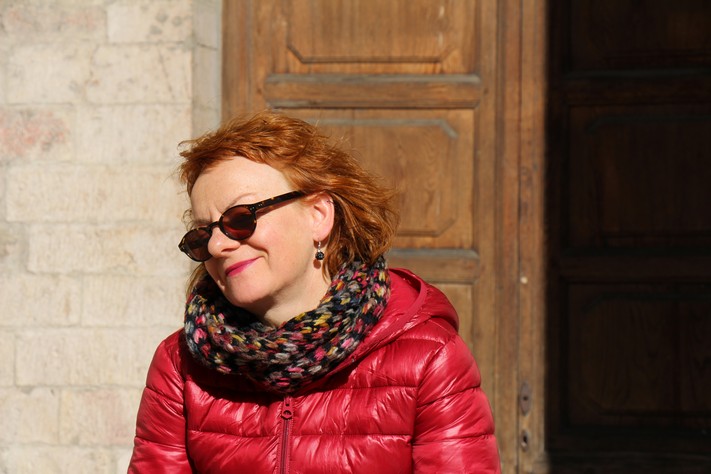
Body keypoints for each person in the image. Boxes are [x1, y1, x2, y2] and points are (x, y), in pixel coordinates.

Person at [128, 110, 501, 473]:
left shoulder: (428, 357)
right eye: (202, 234)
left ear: (318, 215)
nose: (217, 246)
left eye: (240, 219)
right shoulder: (181, 365)